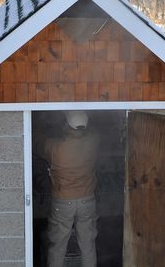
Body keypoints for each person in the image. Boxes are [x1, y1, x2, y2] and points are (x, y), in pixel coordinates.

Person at [42, 111, 99, 267]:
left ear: (67, 125)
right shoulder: (93, 142)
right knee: (88, 245)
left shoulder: (55, 147)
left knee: (58, 246)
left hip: (62, 201)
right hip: (87, 199)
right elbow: (93, 131)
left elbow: (36, 142)